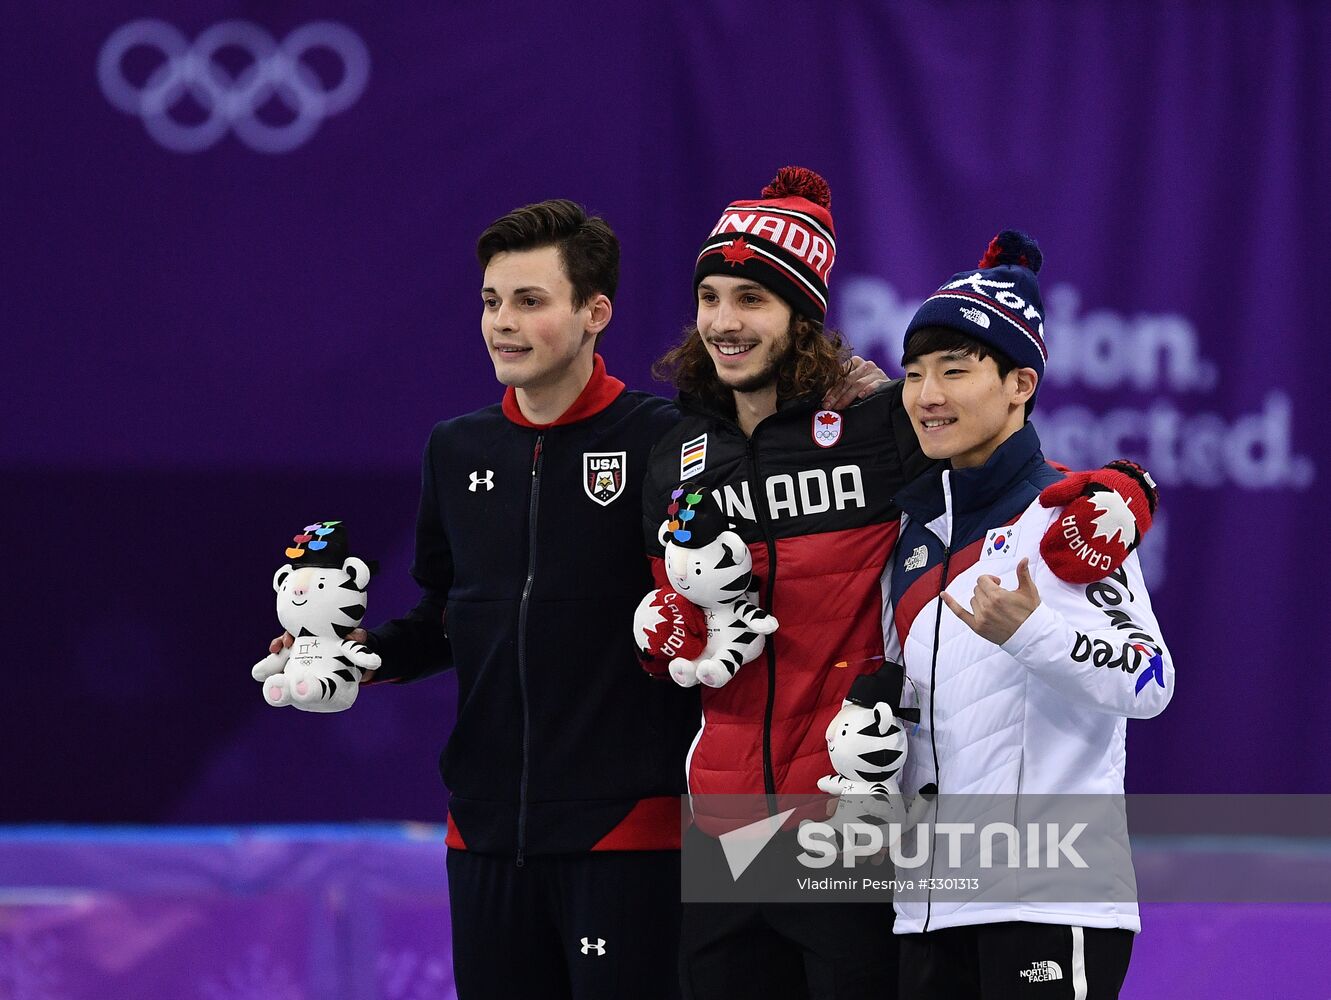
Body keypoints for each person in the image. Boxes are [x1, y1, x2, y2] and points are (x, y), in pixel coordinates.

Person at [260, 197, 882, 999]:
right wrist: (358, 658)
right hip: (482, 832)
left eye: (529, 301)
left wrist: (851, 398)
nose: (501, 324)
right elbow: (448, 616)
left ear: (595, 313)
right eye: (490, 301)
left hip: (632, 834)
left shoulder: (673, 440)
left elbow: (752, 534)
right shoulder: (456, 449)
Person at [642, 167, 935, 999]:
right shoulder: (675, 452)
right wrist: (660, 639)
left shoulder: (879, 426)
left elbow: (1002, 483)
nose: (723, 323)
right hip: (725, 830)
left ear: (800, 316)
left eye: (751, 300)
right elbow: (670, 624)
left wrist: (1121, 493)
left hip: (847, 824)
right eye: (709, 296)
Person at [886, 230, 1174, 997]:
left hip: (1050, 898)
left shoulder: (1069, 516)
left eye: (954, 370)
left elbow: (1149, 679)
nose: (927, 395)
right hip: (927, 905)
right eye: (913, 374)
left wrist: (1030, 631)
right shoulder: (917, 534)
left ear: (1019, 383)